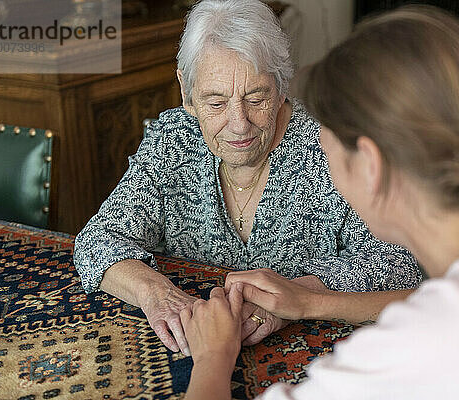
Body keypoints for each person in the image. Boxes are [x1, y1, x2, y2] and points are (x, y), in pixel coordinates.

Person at [179, 5, 459, 399]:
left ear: (370, 165)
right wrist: (312, 300)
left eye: (328, 150)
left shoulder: (408, 351)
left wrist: (213, 352)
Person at [73, 0, 421, 357]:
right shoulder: (171, 140)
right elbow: (98, 239)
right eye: (216, 103)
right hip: (191, 351)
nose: (239, 124)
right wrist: (159, 296)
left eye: (256, 98)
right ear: (186, 91)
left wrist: (297, 297)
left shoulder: (329, 146)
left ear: (282, 86)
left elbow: (399, 263)